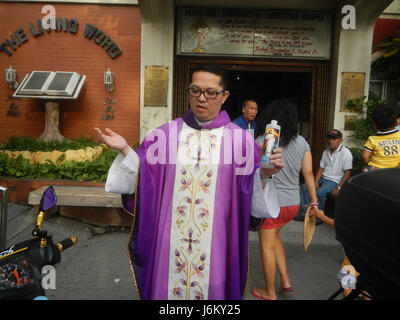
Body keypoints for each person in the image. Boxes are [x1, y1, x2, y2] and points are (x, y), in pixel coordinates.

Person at [94, 63, 284, 300]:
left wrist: (265, 174)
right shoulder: (164, 135)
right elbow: (145, 177)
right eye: (195, 91)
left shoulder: (240, 143)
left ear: (224, 96)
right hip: (170, 245)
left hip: (216, 246)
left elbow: (250, 193)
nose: (201, 98)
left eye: (210, 92)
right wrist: (125, 150)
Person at [250, 99, 318, 300]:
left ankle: (270, 292)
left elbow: (252, 174)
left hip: (271, 204)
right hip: (292, 204)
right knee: (275, 239)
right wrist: (313, 202)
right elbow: (308, 174)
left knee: (267, 245)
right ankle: (285, 281)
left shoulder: (261, 141)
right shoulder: (302, 142)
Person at [296, 129, 353, 220]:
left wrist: (338, 187)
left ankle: (318, 218)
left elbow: (347, 172)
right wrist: (315, 181)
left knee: (320, 192)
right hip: (324, 178)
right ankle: (305, 215)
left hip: (334, 181)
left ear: (340, 140)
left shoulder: (346, 153)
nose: (331, 140)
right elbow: (321, 168)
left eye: (334, 139)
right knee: (305, 187)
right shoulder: (326, 151)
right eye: (329, 138)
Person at [361, 104, 400, 171]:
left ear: (375, 125)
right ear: (397, 122)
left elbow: (364, 157)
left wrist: (367, 163)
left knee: (365, 169)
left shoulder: (372, 139)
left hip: (377, 171)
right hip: (395, 171)